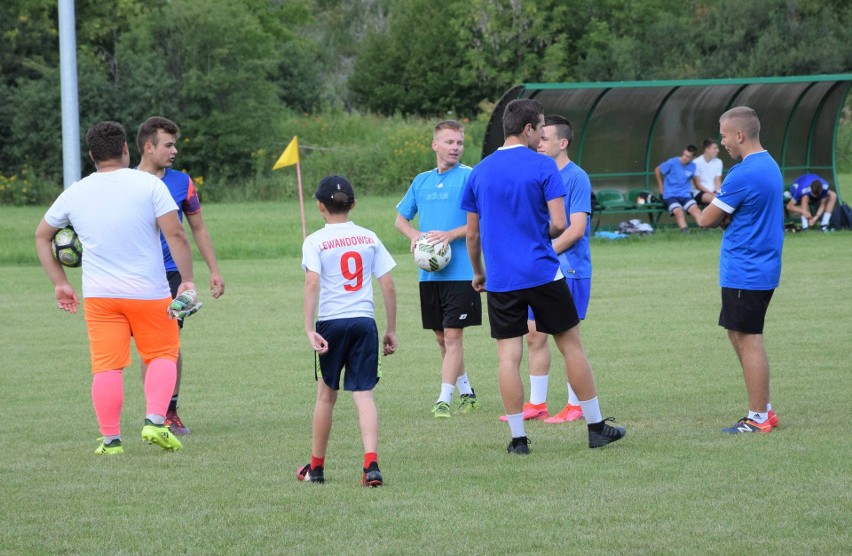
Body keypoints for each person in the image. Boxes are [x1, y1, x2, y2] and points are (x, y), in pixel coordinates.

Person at [461, 99, 625, 454]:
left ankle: (518, 439)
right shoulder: (543, 166)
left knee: (508, 356)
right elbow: (561, 224)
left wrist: (478, 272)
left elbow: (472, 235)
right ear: (528, 129)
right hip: (542, 273)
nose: (542, 136)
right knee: (570, 345)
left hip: (501, 279)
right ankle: (596, 427)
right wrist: (535, 234)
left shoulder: (479, 171)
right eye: (539, 128)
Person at [35, 120, 195, 454]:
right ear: (125, 149)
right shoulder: (148, 185)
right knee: (163, 354)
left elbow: (42, 235)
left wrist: (60, 284)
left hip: (100, 297)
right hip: (149, 292)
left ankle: (110, 440)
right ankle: (155, 423)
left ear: (92, 154)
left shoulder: (75, 192)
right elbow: (176, 234)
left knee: (107, 366)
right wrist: (188, 282)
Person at [299, 175, 398, 486]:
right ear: (353, 204)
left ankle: (316, 469)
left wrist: (308, 328)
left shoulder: (315, 240)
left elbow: (313, 282)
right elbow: (388, 284)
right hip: (364, 321)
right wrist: (391, 329)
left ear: (319, 206)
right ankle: (371, 464)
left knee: (326, 396)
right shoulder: (369, 237)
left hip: (331, 323)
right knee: (363, 394)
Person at [136, 116, 225, 436]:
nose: (174, 150)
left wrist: (213, 270)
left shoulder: (182, 182)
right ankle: (155, 411)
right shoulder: (125, 183)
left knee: (167, 342)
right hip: (135, 275)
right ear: (149, 147)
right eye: (168, 145)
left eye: (175, 144)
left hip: (172, 275)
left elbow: (198, 228)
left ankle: (165, 411)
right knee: (149, 347)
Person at [696, 106, 783, 434]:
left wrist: (695, 204)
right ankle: (765, 409)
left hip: (747, 269)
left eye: (724, 136)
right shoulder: (769, 164)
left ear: (740, 135)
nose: (723, 142)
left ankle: (758, 417)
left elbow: (707, 219)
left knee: (749, 339)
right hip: (757, 267)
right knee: (739, 334)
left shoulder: (743, 173)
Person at [499, 115, 590, 424]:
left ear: (562, 143)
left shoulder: (576, 177)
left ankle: (576, 404)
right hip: (539, 272)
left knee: (568, 340)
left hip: (570, 269)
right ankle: (537, 403)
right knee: (534, 337)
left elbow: (575, 229)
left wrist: (540, 252)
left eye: (546, 139)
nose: (539, 143)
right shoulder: (538, 172)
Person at [394, 120, 482, 419]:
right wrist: (415, 236)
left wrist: (450, 235)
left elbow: (481, 220)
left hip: (461, 272)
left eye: (459, 142)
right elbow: (400, 221)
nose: (455, 147)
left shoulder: (471, 177)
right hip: (429, 274)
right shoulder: (421, 181)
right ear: (435, 145)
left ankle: (443, 399)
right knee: (441, 338)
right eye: (449, 142)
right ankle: (468, 393)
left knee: (453, 336)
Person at [655, 145, 704, 232]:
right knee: (679, 212)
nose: (684, 158)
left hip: (685, 195)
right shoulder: (672, 162)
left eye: (688, 156)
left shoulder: (693, 166)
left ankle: (704, 229)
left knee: (696, 210)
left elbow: (697, 183)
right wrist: (661, 187)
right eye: (684, 154)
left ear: (693, 158)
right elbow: (657, 170)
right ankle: (685, 233)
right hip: (670, 195)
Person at [692, 138, 723, 205]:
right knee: (716, 201)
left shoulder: (719, 162)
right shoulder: (696, 163)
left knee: (725, 201)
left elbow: (717, 181)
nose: (718, 150)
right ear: (707, 149)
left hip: (713, 192)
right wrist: (712, 194)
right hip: (700, 192)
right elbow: (698, 185)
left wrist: (718, 193)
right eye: (715, 148)